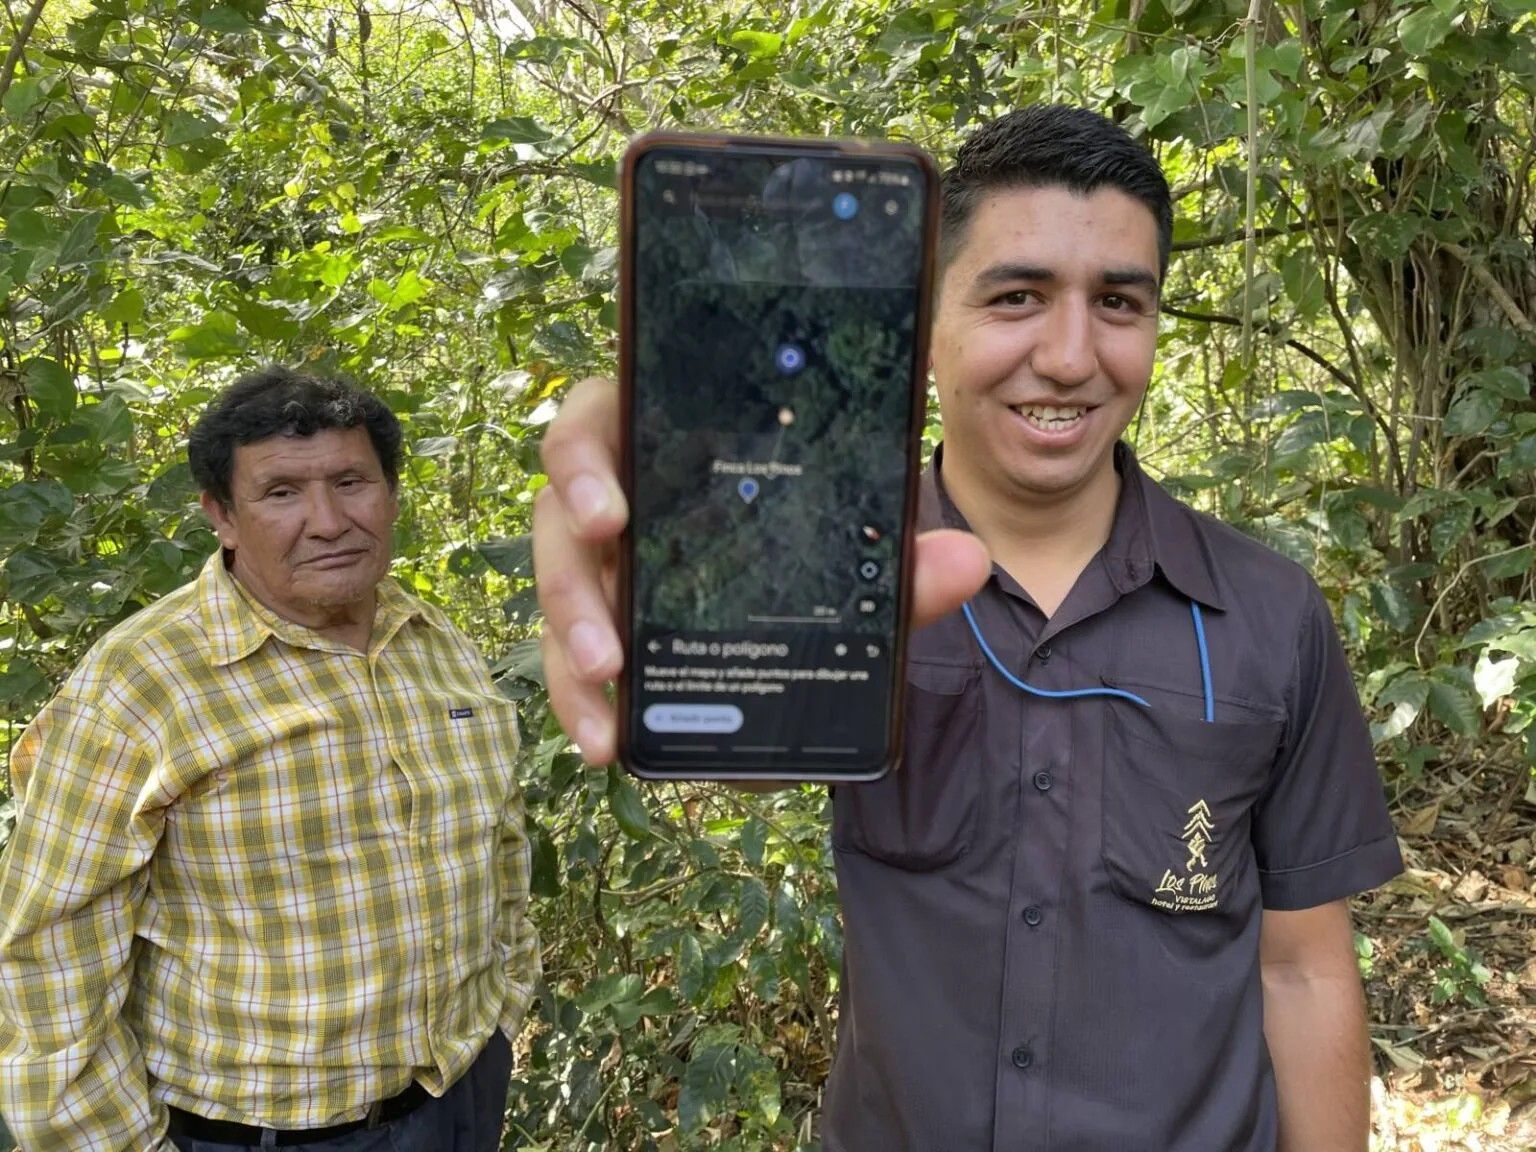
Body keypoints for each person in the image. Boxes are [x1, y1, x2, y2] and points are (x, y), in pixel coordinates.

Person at [531, 105, 1402, 1151]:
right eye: (1016, 297)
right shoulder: (833, 568)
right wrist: (666, 574)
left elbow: (1303, 968)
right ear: (926, 324)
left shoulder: (1268, 612)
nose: (1070, 357)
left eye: (1118, 302)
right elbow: (746, 756)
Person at [0, 367, 539, 1151]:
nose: (328, 522)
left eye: (351, 482)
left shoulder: (434, 642)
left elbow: (501, 841)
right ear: (221, 516)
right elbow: (48, 948)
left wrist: (503, 1012)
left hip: (457, 1096)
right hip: (256, 1135)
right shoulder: (142, 682)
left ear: (391, 494)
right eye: (281, 493)